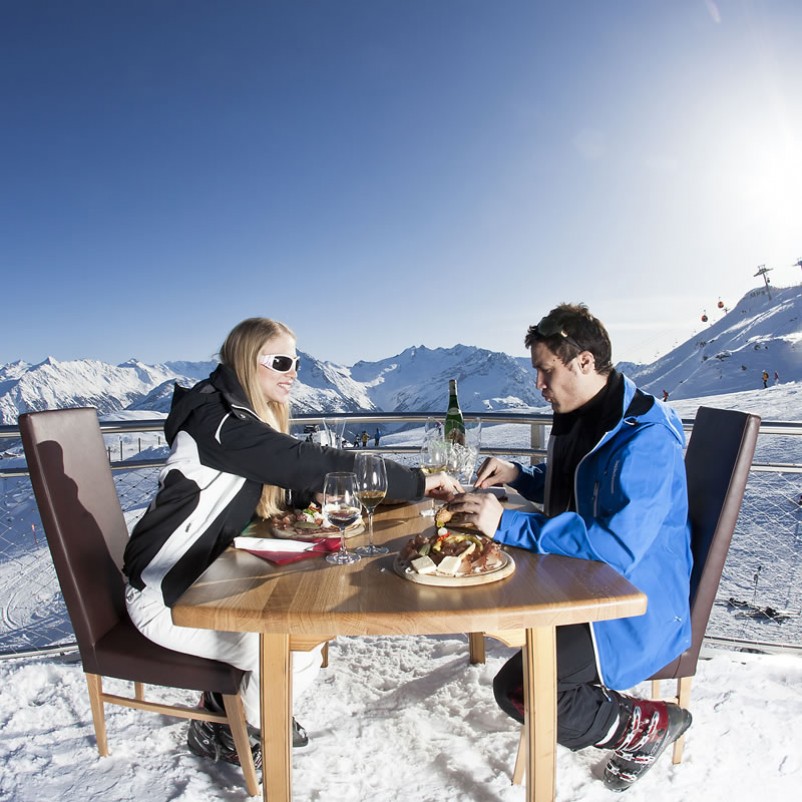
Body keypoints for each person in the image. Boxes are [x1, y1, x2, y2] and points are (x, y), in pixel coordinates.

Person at [122, 317, 461, 768]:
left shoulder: (237, 415)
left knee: (307, 630)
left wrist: (316, 493)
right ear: (247, 361)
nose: (294, 372)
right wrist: (418, 481)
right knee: (293, 648)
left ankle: (233, 709)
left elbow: (285, 477)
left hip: (208, 577)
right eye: (281, 361)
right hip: (165, 593)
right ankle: (233, 729)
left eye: (296, 362)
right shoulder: (217, 421)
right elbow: (304, 461)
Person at [444, 303, 693, 792]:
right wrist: (520, 477)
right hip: (586, 583)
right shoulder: (587, 414)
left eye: (545, 370)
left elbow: (617, 545)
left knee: (522, 690)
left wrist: (506, 525)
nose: (538, 384)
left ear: (583, 362)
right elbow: (581, 489)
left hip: (634, 604)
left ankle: (649, 725)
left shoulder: (645, 438)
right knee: (498, 625)